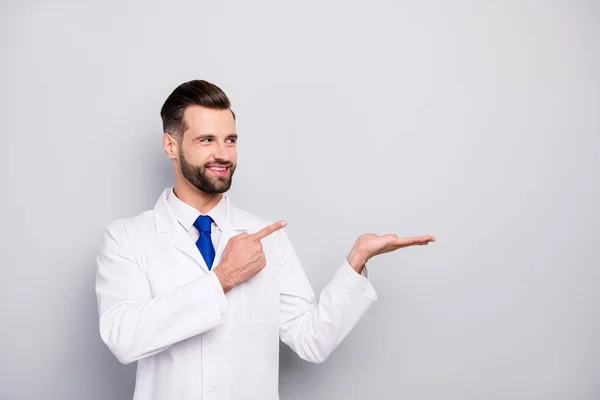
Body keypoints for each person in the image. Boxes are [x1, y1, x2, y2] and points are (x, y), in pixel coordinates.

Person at [95, 79, 435, 400]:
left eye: (230, 140)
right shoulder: (127, 238)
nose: (223, 155)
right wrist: (225, 277)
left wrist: (356, 261)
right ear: (171, 145)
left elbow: (311, 340)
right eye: (206, 140)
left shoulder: (268, 238)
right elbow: (124, 338)